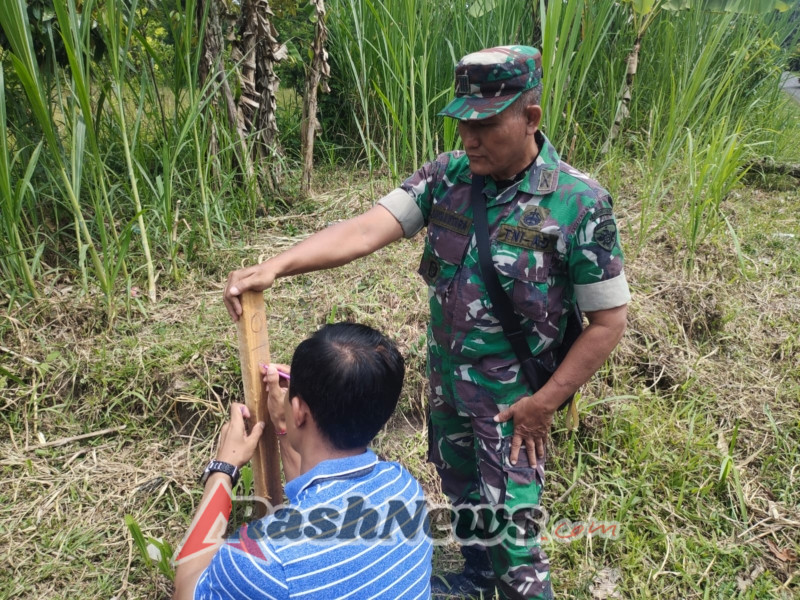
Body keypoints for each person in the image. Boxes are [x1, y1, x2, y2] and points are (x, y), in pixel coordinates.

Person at [223, 45, 630, 600]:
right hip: (449, 388)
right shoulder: (449, 176)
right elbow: (367, 229)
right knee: (462, 493)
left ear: (530, 118)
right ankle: (476, 579)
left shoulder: (579, 205)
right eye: (461, 122)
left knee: (511, 529)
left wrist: (546, 403)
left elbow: (608, 321)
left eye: (484, 124)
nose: (469, 137)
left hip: (514, 401)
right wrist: (277, 265)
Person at [172, 322, 433, 600]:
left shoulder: (258, 561)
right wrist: (284, 428)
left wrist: (224, 469)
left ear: (299, 411)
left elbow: (187, 587)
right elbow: (313, 505)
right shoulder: (405, 488)